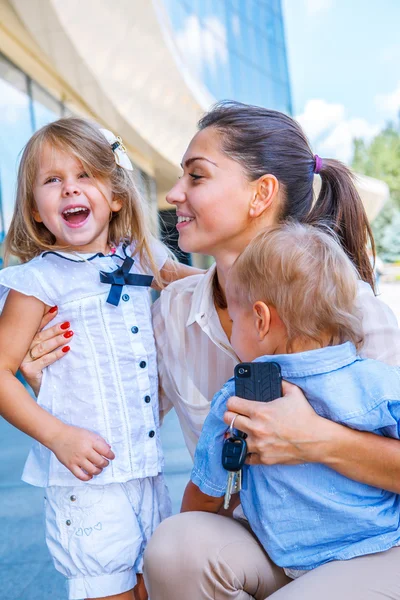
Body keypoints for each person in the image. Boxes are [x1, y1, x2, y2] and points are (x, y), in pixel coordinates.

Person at [21, 102, 400, 599]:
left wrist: (316, 439)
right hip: (261, 541)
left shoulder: (352, 312)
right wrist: (48, 380)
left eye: (196, 177)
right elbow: (123, 412)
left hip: (372, 546)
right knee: (176, 547)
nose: (174, 194)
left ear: (261, 194)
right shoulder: (173, 313)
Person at [0, 117, 196, 600]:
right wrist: (57, 435)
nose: (70, 189)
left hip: (144, 470)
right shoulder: (36, 282)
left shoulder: (137, 259)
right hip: (85, 480)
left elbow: (195, 285)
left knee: (156, 585)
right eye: (53, 180)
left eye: (85, 175)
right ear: (35, 210)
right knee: (108, 591)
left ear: (115, 196)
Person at [182, 222, 400, 582]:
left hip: (286, 559)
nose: (232, 331)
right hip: (381, 545)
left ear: (261, 319)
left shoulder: (238, 403)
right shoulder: (382, 384)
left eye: (234, 320)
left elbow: (204, 496)